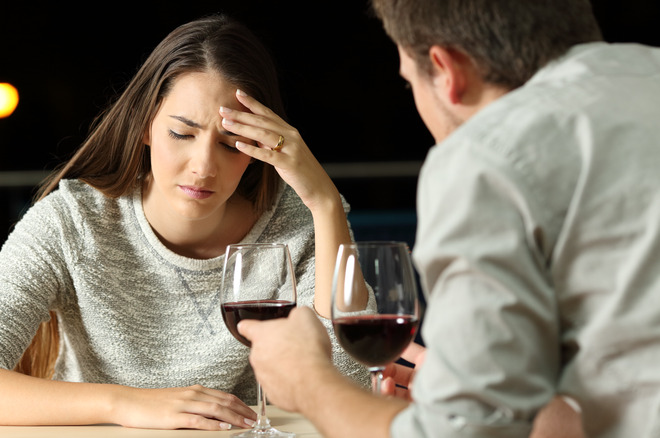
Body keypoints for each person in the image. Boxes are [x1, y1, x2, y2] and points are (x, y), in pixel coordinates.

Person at [238, 1, 660, 437]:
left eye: (409, 83)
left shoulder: (485, 156)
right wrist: (481, 395)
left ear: (446, 70)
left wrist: (309, 382)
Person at [0, 14, 368, 431]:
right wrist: (124, 403)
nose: (204, 167)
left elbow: (352, 387)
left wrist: (326, 202)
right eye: (182, 134)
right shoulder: (72, 222)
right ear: (145, 126)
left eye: (231, 143)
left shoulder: (299, 221)